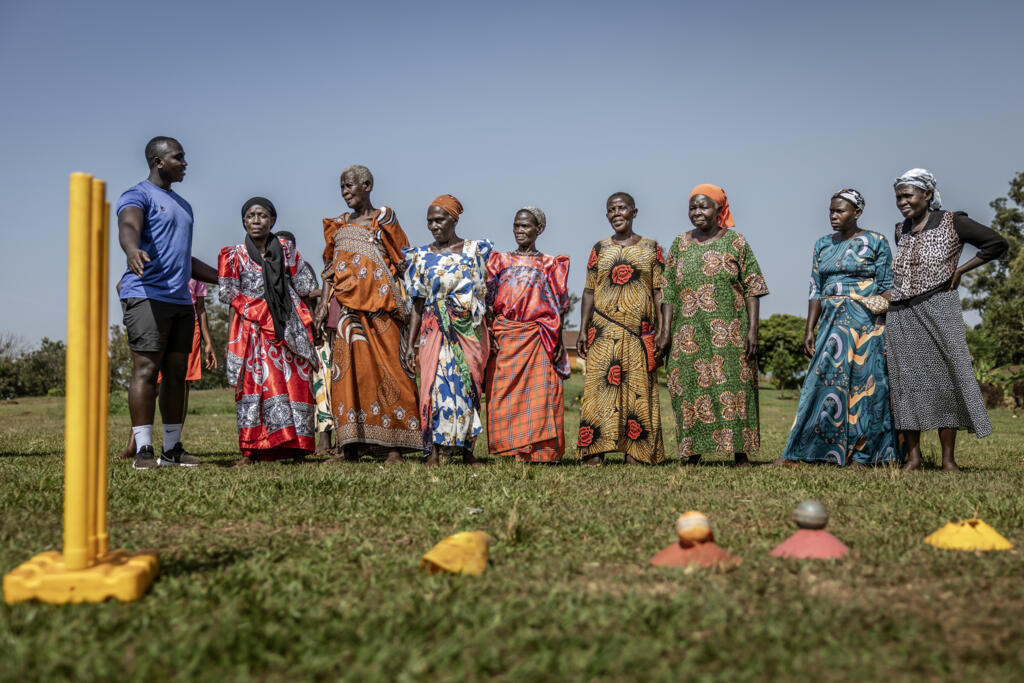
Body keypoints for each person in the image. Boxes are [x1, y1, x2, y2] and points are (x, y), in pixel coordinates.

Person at [886, 169, 1007, 471]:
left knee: (947, 381)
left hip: (939, 306)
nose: (903, 201)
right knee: (906, 384)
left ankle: (948, 460)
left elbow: (996, 244)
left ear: (927, 195)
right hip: (901, 313)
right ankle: (913, 457)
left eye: (908, 195)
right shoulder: (900, 229)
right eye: (899, 196)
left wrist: (961, 270)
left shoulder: (953, 221)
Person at [774, 189, 902, 467]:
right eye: (831, 211)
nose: (833, 216)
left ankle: (864, 456)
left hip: (865, 324)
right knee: (819, 384)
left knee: (866, 388)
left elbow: (888, 288)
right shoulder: (822, 244)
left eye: (840, 211)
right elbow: (815, 289)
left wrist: (880, 321)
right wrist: (810, 329)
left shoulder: (875, 241)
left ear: (857, 213)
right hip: (830, 324)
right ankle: (802, 452)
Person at [117, 136, 218, 469]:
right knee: (146, 370)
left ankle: (172, 449)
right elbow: (129, 224)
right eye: (179, 157)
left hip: (180, 300)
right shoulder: (138, 194)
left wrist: (225, 277)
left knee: (176, 374)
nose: (185, 163)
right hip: (146, 295)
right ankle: (144, 450)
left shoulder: (184, 205)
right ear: (158, 161)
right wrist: (132, 250)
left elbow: (182, 258)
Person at [313, 166, 421, 463]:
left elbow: (403, 261)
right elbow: (329, 270)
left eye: (350, 186)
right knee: (348, 377)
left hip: (382, 310)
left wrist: (414, 304)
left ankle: (394, 448)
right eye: (342, 188)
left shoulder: (383, 218)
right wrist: (323, 305)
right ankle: (349, 449)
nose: (345, 191)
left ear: (367, 185)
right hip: (348, 313)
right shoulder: (337, 225)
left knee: (391, 373)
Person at [662, 184, 769, 466]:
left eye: (704, 206)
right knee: (688, 388)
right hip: (687, 332)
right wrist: (664, 331)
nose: (697, 212)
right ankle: (691, 453)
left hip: (731, 332)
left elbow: (753, 288)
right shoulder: (679, 244)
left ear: (719, 210)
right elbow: (668, 291)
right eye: (693, 207)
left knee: (735, 387)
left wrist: (753, 330)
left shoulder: (736, 242)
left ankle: (740, 454)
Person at [219, 197, 318, 465]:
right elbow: (227, 292)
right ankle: (252, 451)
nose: (256, 220)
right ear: (243, 221)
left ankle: (298, 451)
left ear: (272, 220)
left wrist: (334, 283)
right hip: (252, 330)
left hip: (287, 328)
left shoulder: (286, 249)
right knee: (255, 388)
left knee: (295, 385)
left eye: (262, 215)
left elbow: (305, 285)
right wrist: (254, 308)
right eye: (250, 216)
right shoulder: (233, 255)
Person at [576, 192, 668, 465]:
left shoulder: (652, 248)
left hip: (639, 332)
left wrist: (663, 331)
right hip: (602, 331)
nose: (617, 213)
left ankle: (636, 452)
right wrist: (582, 330)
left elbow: (659, 291)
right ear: (607, 215)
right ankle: (595, 451)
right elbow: (589, 290)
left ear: (634, 212)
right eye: (611, 210)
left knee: (638, 391)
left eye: (622, 208)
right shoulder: (599, 249)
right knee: (598, 391)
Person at [402, 194, 492, 466]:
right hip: (434, 329)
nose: (433, 225)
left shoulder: (476, 251)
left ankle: (467, 451)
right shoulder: (420, 256)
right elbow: (417, 302)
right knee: (434, 387)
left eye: (439, 220)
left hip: (468, 330)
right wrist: (410, 343)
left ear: (454, 219)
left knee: (468, 386)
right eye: (429, 221)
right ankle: (433, 451)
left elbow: (485, 294)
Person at [484, 206, 570, 462]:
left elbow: (559, 305)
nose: (520, 230)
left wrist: (559, 341)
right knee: (502, 394)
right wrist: (489, 335)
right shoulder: (499, 260)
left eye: (526, 226)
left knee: (541, 396)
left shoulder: (551, 264)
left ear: (539, 229)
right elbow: (488, 302)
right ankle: (511, 449)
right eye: (517, 225)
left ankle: (539, 453)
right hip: (505, 335)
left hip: (538, 336)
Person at [114, 277, 216, 459]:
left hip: (188, 326)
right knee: (153, 383)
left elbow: (200, 308)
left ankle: (172, 444)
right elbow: (122, 286)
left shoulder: (193, 270)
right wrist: (133, 315)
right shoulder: (156, 262)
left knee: (182, 384)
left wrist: (208, 342)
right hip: (158, 321)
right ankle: (135, 445)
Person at [277, 230, 333, 455]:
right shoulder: (267, 270)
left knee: (320, 384)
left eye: (289, 246)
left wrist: (315, 328)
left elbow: (311, 297)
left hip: (310, 334)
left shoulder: (303, 268)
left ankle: (325, 437)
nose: (285, 251)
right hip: (281, 336)